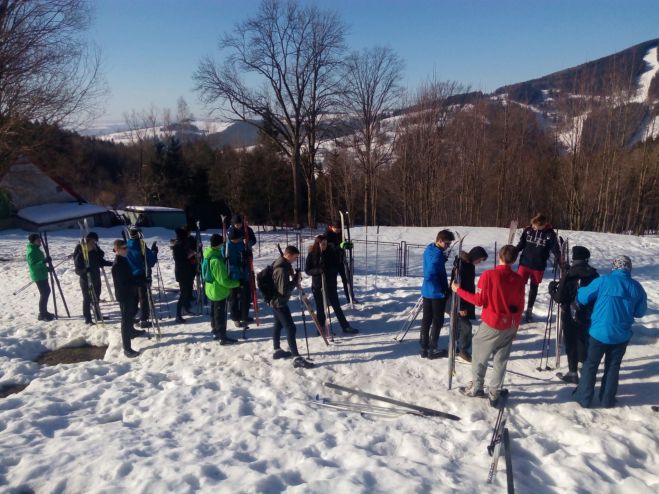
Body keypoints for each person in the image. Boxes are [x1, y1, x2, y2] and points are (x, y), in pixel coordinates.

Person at [453, 245, 526, 406]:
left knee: (479, 355)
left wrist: (458, 291)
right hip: (510, 325)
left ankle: (477, 388)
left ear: (500, 256)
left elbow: (479, 300)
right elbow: (521, 305)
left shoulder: (489, 275)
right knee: (501, 359)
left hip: (493, 323)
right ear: (513, 260)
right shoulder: (519, 279)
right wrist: (516, 327)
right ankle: (495, 391)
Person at [572, 256, 647, 408]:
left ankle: (584, 398)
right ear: (629, 268)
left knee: (590, 365)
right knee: (613, 366)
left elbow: (582, 297)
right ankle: (607, 400)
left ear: (614, 267)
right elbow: (640, 312)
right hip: (621, 335)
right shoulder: (637, 287)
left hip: (598, 332)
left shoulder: (604, 281)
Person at [548, 246, 599, 384]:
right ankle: (584, 367)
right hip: (587, 313)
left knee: (571, 342)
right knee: (583, 339)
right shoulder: (594, 274)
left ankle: (572, 372)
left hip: (570, 313)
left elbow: (559, 297)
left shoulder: (570, 274)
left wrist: (551, 289)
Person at [305, 234, 358, 335]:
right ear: (317, 244)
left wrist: (330, 271)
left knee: (336, 306)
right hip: (317, 285)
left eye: (325, 243)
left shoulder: (331, 252)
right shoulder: (312, 254)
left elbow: (337, 265)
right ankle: (321, 329)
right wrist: (318, 271)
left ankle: (345, 326)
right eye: (322, 244)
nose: (324, 246)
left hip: (330, 284)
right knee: (320, 308)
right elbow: (307, 270)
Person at [271, 245, 314, 369]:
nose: (295, 260)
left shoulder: (282, 264)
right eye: (294, 258)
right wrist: (295, 281)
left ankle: (277, 350)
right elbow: (283, 290)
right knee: (291, 328)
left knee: (278, 324)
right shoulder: (281, 269)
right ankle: (296, 358)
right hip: (279, 302)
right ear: (288, 255)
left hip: (275, 300)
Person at [515, 213, 561, 322]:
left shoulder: (550, 234)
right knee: (518, 286)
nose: (533, 227)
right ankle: (516, 306)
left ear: (542, 225)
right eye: (533, 225)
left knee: (533, 288)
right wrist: (513, 251)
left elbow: (555, 249)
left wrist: (560, 260)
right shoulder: (528, 230)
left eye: (535, 225)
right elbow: (521, 244)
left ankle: (529, 309)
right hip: (524, 264)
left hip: (538, 266)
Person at [447, 246, 489, 362]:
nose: (480, 262)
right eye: (480, 260)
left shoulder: (468, 264)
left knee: (459, 325)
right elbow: (456, 286)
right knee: (466, 326)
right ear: (475, 256)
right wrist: (461, 307)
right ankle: (463, 350)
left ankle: (456, 346)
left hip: (465, 299)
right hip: (458, 301)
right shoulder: (462, 266)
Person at [420, 229, 455, 359]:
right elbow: (430, 273)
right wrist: (440, 288)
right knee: (437, 320)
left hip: (427, 291)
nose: (448, 246)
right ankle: (432, 349)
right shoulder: (437, 255)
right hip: (436, 293)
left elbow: (432, 263)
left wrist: (442, 260)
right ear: (439, 241)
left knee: (426, 319)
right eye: (446, 244)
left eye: (449, 244)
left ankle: (423, 347)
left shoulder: (430, 249)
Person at [203, 234, 241, 344]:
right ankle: (222, 337)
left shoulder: (208, 254)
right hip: (218, 291)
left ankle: (215, 330)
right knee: (219, 314)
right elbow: (224, 281)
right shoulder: (216, 261)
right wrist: (238, 283)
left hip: (210, 288)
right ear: (219, 244)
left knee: (214, 312)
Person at [111, 239, 145, 358]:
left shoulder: (124, 260)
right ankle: (127, 348)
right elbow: (124, 283)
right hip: (124, 295)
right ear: (117, 250)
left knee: (131, 315)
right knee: (126, 320)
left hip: (130, 293)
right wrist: (139, 283)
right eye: (124, 248)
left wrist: (140, 280)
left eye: (127, 247)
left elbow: (129, 278)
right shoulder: (117, 265)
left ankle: (132, 332)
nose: (127, 250)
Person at [73, 232, 113, 324]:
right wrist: (85, 270)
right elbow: (77, 270)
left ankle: (98, 315)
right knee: (87, 299)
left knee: (96, 298)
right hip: (86, 280)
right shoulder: (80, 253)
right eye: (93, 242)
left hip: (96, 278)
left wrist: (113, 263)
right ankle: (88, 318)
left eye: (95, 242)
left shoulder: (95, 251)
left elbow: (101, 262)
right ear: (88, 242)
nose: (94, 244)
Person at [125, 226, 158, 328]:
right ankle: (143, 319)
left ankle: (132, 317)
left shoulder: (126, 245)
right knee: (143, 298)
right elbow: (151, 261)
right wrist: (154, 252)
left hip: (129, 276)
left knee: (134, 298)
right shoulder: (141, 245)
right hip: (141, 275)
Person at [224, 227, 252, 328]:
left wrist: (247, 255)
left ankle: (244, 315)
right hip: (233, 277)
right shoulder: (227, 247)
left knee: (246, 297)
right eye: (236, 239)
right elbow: (227, 265)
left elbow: (245, 255)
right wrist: (237, 268)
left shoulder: (240, 243)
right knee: (234, 298)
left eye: (239, 238)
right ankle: (235, 318)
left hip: (244, 274)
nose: (238, 240)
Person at [26, 233, 54, 321]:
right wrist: (44, 261)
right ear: (33, 241)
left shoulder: (37, 249)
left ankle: (44, 312)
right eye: (38, 240)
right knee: (44, 293)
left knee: (46, 292)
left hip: (42, 273)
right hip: (38, 275)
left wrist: (47, 268)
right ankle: (42, 314)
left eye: (40, 240)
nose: (40, 241)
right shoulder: (31, 251)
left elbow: (39, 262)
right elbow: (33, 265)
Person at [324, 223, 355, 304]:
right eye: (336, 229)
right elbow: (328, 248)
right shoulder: (326, 235)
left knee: (347, 279)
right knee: (332, 282)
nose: (338, 230)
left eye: (339, 229)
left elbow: (343, 243)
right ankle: (331, 300)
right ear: (331, 227)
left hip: (341, 260)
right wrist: (339, 246)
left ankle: (350, 298)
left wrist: (347, 245)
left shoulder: (341, 233)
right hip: (331, 262)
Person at [171, 226, 196, 323]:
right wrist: (189, 256)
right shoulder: (177, 247)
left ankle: (185, 308)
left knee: (186, 292)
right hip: (182, 273)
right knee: (183, 293)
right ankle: (178, 314)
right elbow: (180, 260)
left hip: (186, 272)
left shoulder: (182, 245)